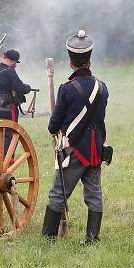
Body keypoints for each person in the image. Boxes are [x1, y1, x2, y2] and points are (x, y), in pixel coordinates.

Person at [42, 30, 110, 244]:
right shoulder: (103, 88)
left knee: (58, 194)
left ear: (71, 64)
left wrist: (55, 125)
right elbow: (99, 120)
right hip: (96, 150)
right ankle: (92, 239)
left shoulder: (66, 89)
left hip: (73, 151)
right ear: (89, 61)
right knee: (94, 194)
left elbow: (54, 125)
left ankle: (48, 237)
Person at [0, 49, 31, 124]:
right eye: (15, 63)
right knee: (10, 133)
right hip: (6, 107)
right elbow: (20, 88)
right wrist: (28, 88)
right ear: (13, 61)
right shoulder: (9, 71)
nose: (16, 65)